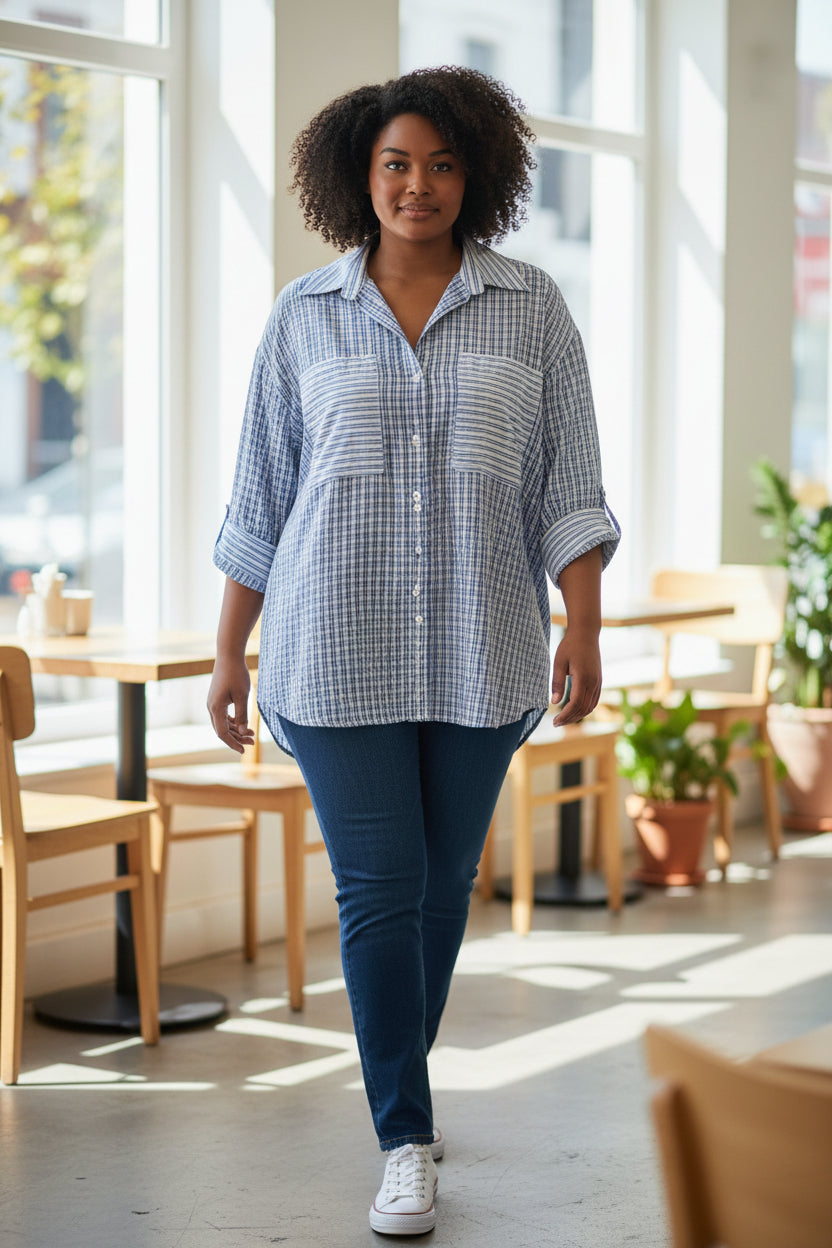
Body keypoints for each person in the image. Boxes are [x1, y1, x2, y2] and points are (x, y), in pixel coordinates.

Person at [207, 65, 620, 1237]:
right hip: (331, 650)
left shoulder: (531, 309)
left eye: (441, 163)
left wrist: (581, 622)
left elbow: (567, 488)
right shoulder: (302, 318)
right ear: (360, 175)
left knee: (443, 887)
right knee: (379, 888)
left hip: (483, 649)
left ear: (474, 176)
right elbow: (261, 500)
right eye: (396, 162)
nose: (417, 184)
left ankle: (403, 1082)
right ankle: (404, 1133)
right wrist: (228, 654)